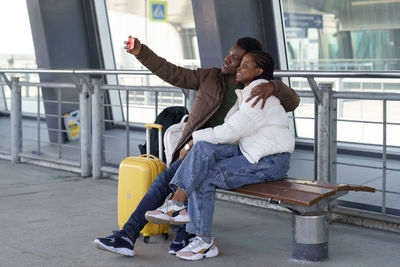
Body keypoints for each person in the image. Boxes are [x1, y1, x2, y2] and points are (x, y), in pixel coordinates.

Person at [94, 37, 300, 257]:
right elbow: (172, 72)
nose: (230, 60)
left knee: (195, 173)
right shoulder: (211, 77)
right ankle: (130, 234)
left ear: (252, 67)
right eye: (231, 56)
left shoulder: (256, 90)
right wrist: (141, 52)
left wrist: (273, 85)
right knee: (166, 179)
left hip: (232, 149)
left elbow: (292, 102)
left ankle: (184, 233)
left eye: (238, 59)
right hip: (205, 146)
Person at [145, 50, 294, 261]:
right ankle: (178, 205)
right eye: (240, 64)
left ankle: (202, 240)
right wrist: (199, 143)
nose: (238, 69)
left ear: (259, 71)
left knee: (205, 176)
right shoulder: (247, 94)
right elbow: (232, 134)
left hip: (270, 161)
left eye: (245, 65)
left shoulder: (257, 96)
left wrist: (193, 139)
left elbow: (231, 132)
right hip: (251, 151)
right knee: (204, 149)